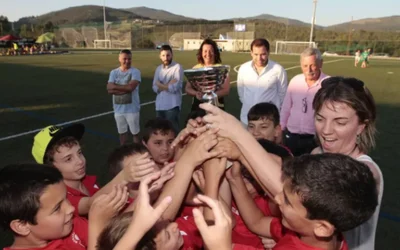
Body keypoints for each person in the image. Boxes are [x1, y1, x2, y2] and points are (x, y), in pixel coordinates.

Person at [227, 153, 378, 250]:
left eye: (287, 200)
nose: (277, 198)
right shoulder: (306, 231)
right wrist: (235, 179)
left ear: (322, 228)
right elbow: (257, 222)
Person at [312, 77, 383, 250]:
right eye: (320, 119)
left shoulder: (366, 172)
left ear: (361, 126)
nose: (326, 130)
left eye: (340, 122)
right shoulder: (316, 154)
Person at [0, 163, 88, 249]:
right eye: (57, 208)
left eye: (66, 197)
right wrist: (96, 223)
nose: (71, 208)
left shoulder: (70, 222)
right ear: (22, 226)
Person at [280, 48, 330, 156]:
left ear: (320, 64)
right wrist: (281, 129)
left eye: (312, 65)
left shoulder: (328, 84)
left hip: (315, 139)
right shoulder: (295, 81)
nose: (309, 70)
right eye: (305, 66)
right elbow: (286, 107)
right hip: (291, 136)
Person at [237, 38, 288, 125]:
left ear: (268, 52)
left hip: (268, 122)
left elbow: (282, 95)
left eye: (263, 54)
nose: (259, 58)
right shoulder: (243, 69)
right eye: (256, 54)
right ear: (251, 53)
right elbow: (241, 93)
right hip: (247, 120)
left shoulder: (278, 70)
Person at [185, 38, 230, 111]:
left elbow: (226, 90)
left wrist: (211, 96)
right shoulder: (195, 68)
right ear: (201, 52)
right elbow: (187, 88)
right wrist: (196, 93)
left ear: (215, 52)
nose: (208, 54)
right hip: (198, 107)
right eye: (205, 51)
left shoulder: (221, 69)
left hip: (216, 107)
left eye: (211, 51)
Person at [107, 49, 141, 144]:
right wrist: (124, 89)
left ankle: (137, 153)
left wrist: (115, 88)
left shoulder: (135, 72)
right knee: (122, 134)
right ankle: (123, 154)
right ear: (119, 59)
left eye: (129, 59)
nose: (127, 61)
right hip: (118, 109)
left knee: (135, 134)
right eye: (124, 59)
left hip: (132, 109)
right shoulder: (114, 72)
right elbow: (109, 89)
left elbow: (131, 88)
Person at [152, 45, 183, 133]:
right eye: (163, 55)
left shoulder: (177, 67)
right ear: (160, 56)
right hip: (159, 106)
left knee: (173, 132)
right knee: (160, 132)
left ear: (172, 55)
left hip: (172, 106)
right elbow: (154, 87)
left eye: (168, 55)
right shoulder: (158, 69)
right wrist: (168, 84)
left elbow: (175, 88)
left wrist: (160, 84)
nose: (166, 58)